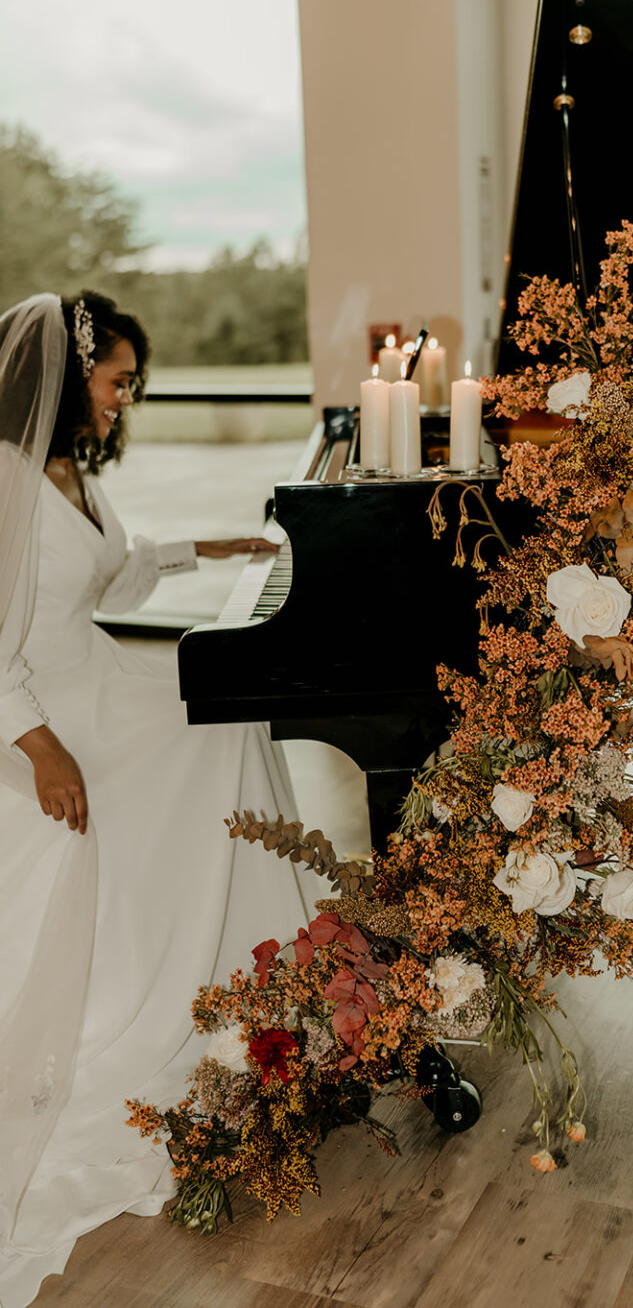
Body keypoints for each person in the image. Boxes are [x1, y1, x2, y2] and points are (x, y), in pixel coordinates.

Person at [0, 292, 319, 1308]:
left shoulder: (68, 475)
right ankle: (228, 975)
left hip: (92, 682)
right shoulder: (4, 486)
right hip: (45, 718)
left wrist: (211, 551)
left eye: (128, 383)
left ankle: (258, 970)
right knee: (217, 730)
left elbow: (118, 578)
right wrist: (45, 752)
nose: (125, 400)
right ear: (59, 384)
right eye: (116, 381)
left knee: (229, 714)